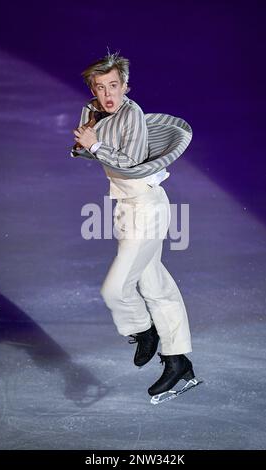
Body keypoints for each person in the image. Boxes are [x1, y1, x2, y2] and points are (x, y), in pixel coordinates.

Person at [71, 51, 197, 402]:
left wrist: (94, 144)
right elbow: (85, 149)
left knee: (115, 289)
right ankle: (178, 361)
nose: (109, 94)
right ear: (93, 90)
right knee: (154, 283)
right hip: (124, 209)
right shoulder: (95, 113)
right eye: (101, 88)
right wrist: (85, 144)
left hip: (147, 207)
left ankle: (144, 331)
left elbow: (134, 164)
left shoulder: (133, 115)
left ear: (126, 86)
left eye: (114, 85)